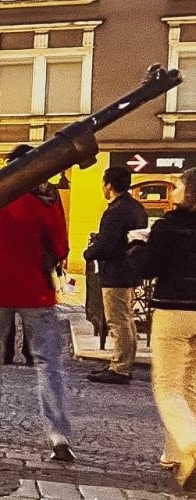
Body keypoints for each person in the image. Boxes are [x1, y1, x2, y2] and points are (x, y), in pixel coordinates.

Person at [0, 144, 73, 461]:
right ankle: (58, 434)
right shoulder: (45, 200)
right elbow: (61, 247)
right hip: (36, 290)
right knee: (49, 363)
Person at [143, 166, 196, 486]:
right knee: (190, 383)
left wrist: (139, 247)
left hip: (174, 309)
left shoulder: (167, 226)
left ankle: (191, 443)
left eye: (176, 186)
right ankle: (175, 454)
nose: (171, 191)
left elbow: (150, 267)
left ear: (189, 192)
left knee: (168, 386)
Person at [83, 165, 148, 385]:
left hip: (116, 271)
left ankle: (120, 367)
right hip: (131, 268)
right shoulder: (137, 207)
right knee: (127, 319)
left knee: (118, 320)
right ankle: (122, 361)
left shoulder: (115, 211)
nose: (103, 187)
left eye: (103, 183)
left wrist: (89, 253)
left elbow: (107, 244)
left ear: (109, 185)